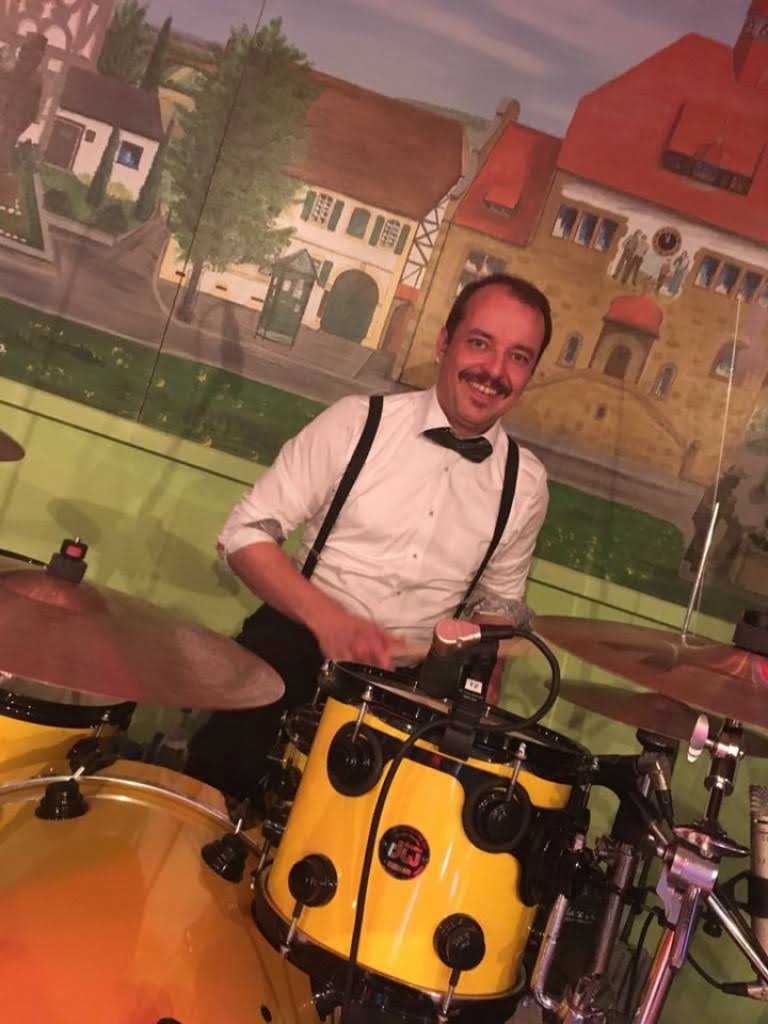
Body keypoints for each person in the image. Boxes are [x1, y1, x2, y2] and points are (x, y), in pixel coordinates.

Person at [186, 273, 552, 799]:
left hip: (405, 696)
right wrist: (329, 620)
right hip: (292, 651)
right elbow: (245, 535)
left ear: (530, 372)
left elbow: (497, 606)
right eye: (479, 343)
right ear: (444, 342)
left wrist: (480, 684)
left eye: (517, 356)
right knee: (214, 805)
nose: (494, 371)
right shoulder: (357, 422)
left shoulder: (526, 484)